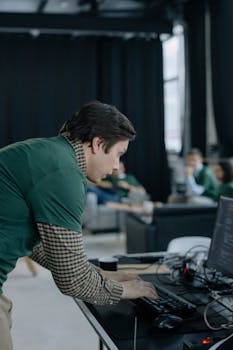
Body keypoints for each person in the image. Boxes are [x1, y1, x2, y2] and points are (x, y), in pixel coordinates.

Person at [0, 101, 157, 350]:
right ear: (97, 143)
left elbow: (37, 244)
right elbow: (73, 281)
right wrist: (123, 290)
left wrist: (98, 274)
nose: (117, 167)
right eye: (118, 154)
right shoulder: (64, 172)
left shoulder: (49, 152)